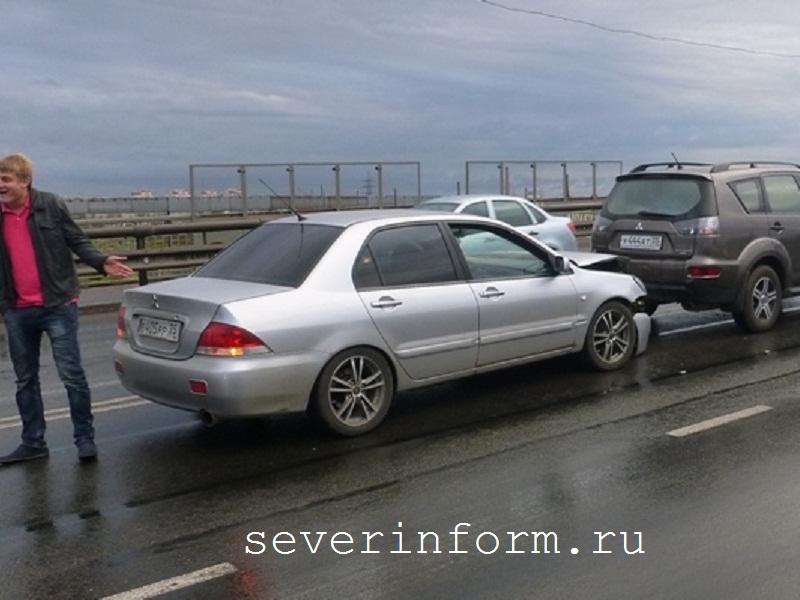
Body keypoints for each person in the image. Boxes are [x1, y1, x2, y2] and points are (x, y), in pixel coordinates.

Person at [0, 153, 133, 465]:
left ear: (25, 181)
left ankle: (84, 439)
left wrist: (100, 261)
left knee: (71, 375)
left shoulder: (51, 205)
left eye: (5, 179)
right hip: (16, 309)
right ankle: (33, 442)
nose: (0, 185)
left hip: (57, 304)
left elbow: (77, 241)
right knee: (25, 380)